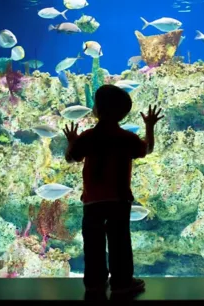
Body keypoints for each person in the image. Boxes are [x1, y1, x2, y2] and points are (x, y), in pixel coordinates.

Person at [63, 84, 164, 296]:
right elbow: (147, 149)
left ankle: (94, 282)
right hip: (119, 200)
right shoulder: (126, 138)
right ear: (124, 114)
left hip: (93, 201)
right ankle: (121, 282)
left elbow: (71, 158)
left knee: (93, 243)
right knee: (120, 243)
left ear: (97, 110)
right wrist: (149, 126)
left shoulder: (88, 137)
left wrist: (72, 141)